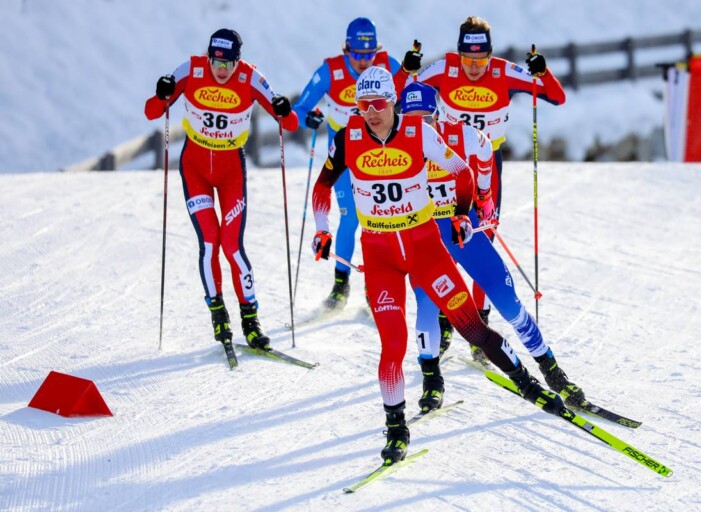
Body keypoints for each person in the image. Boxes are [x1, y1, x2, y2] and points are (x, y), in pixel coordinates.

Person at [311, 66, 565, 465]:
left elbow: (463, 172)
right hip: (381, 256)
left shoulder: (419, 133)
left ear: (392, 102)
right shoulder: (348, 138)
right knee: (392, 345)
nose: (371, 112)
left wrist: (464, 214)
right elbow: (323, 187)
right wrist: (322, 228)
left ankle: (529, 385)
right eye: (363, 105)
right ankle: (396, 428)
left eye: (378, 104)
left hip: (425, 247)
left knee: (473, 329)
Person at [400, 81, 586, 412]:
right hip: (428, 237)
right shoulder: (396, 145)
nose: (419, 126)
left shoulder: (458, 134)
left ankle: (552, 370)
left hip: (463, 230)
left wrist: (484, 194)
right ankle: (432, 380)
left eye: (425, 119)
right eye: (410, 118)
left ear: (437, 115)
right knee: (426, 306)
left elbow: (486, 151)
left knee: (508, 302)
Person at [403, 16, 566, 349]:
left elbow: (556, 96)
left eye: (481, 60)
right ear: (458, 54)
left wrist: (541, 71)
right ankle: (447, 317)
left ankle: (482, 318)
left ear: (490, 55)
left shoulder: (503, 72)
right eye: (467, 60)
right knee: (443, 239)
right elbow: (402, 96)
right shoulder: (443, 70)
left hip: (488, 163)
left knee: (482, 237)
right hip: (445, 163)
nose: (474, 67)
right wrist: (407, 70)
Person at [144, 28, 299, 353]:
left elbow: (290, 123)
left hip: (231, 170)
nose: (222, 70)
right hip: (195, 167)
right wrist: (162, 93)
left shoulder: (251, 77)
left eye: (228, 64)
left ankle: (251, 320)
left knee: (232, 246)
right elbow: (152, 111)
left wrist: (283, 109)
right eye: (217, 61)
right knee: (210, 242)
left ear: (238, 61)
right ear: (210, 56)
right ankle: (218, 311)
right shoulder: (190, 69)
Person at [292, 17, 420, 311]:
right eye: (357, 55)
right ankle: (341, 284)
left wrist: (412, 73)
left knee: (379, 219)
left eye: (369, 54)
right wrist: (307, 117)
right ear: (346, 49)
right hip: (343, 153)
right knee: (350, 219)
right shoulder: (331, 70)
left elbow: (414, 94)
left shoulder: (389, 64)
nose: (363, 62)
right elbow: (299, 108)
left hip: (378, 153)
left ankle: (376, 283)